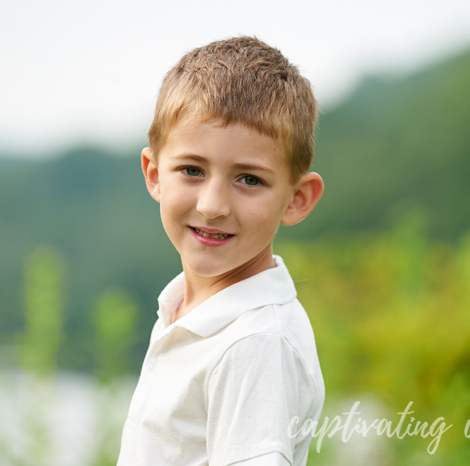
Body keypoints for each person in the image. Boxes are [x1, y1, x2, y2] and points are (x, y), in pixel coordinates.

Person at [117, 36, 325, 466]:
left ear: (297, 198)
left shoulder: (255, 344)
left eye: (249, 179)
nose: (212, 206)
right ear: (154, 174)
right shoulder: (188, 309)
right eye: (192, 170)